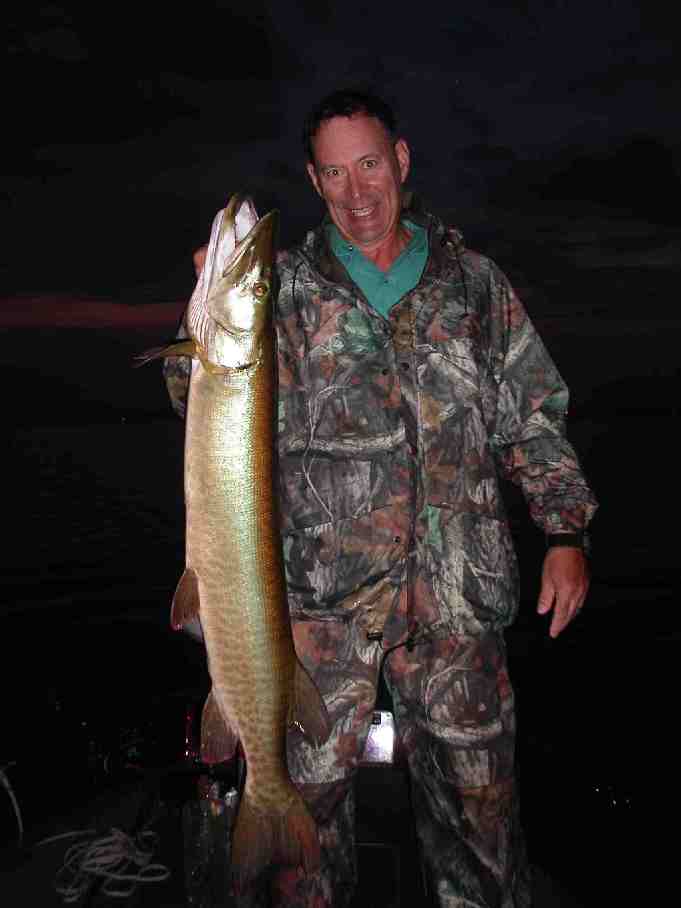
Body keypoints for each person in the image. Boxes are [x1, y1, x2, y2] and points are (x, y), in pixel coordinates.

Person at [164, 89, 597, 908]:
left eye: (368, 164)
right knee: (304, 840)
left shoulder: (474, 284)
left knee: (481, 831)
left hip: (458, 606)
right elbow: (200, 405)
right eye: (334, 172)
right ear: (313, 180)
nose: (356, 190)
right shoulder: (283, 292)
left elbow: (533, 416)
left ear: (399, 160)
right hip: (318, 615)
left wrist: (564, 533)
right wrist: (198, 318)